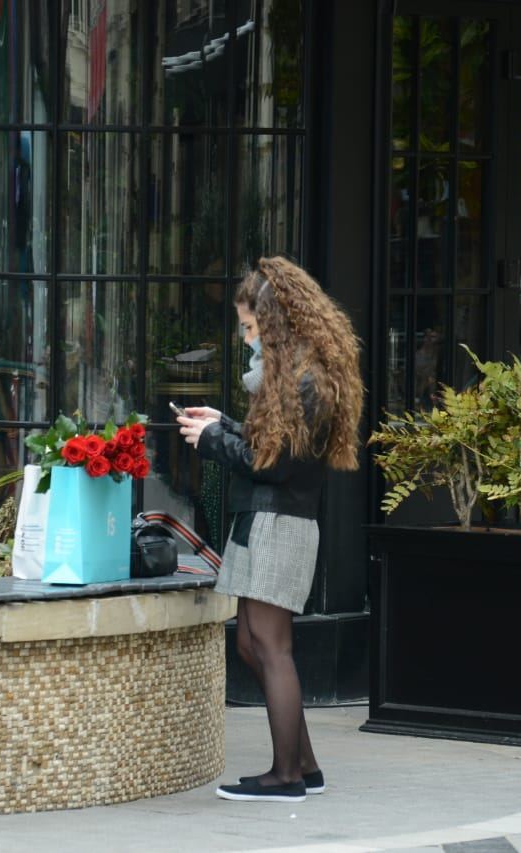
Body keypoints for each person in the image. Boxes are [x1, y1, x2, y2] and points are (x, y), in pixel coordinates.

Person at [176, 256, 364, 803]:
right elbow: (272, 449)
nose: (245, 339)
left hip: (278, 523)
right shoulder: (298, 376)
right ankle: (303, 765)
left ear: (275, 321)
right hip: (268, 520)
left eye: (250, 327)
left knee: (270, 646)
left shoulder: (306, 380)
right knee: (252, 644)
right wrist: (224, 424)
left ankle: (286, 777)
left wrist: (213, 441)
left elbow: (274, 465)